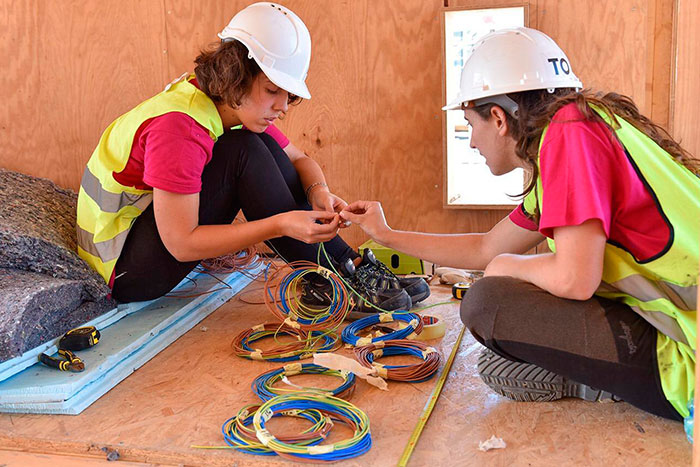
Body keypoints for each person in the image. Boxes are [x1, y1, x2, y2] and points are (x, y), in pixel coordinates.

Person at [340, 27, 699, 421]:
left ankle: (599, 380)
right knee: (500, 299)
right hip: (675, 326)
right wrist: (385, 234)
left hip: (689, 363)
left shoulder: (568, 133)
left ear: (498, 118)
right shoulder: (580, 131)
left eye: (469, 124)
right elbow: (487, 247)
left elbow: (574, 278)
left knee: (487, 303)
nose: (472, 142)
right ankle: (594, 373)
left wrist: (507, 267)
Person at [76, 2, 429, 315]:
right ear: (236, 77)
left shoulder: (223, 105)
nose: (283, 106)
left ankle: (344, 266)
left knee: (255, 144)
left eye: (288, 94)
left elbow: (300, 160)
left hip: (145, 242)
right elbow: (181, 244)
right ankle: (333, 279)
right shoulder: (180, 128)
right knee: (243, 149)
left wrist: (318, 192)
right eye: (273, 90)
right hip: (125, 271)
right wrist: (280, 224)